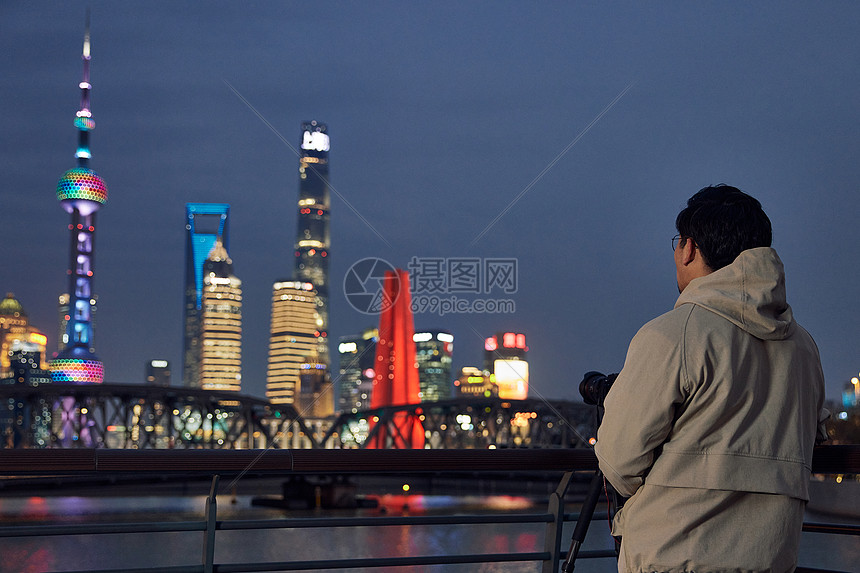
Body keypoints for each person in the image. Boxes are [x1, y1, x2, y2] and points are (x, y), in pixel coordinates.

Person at [594, 185, 828, 573]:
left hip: (673, 557)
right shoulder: (804, 347)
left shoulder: (672, 334)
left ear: (689, 248)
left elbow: (619, 463)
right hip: (772, 557)